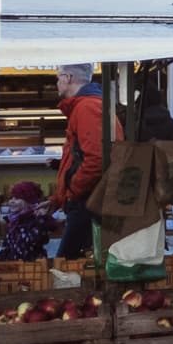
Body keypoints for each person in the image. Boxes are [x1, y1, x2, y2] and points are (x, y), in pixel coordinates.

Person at [55, 66, 106, 265]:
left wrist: (72, 192)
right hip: (86, 199)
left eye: (58, 77)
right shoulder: (86, 106)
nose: (57, 82)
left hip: (87, 202)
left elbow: (96, 160)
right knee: (73, 265)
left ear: (68, 78)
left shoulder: (87, 107)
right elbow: (75, 159)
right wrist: (57, 198)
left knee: (65, 266)